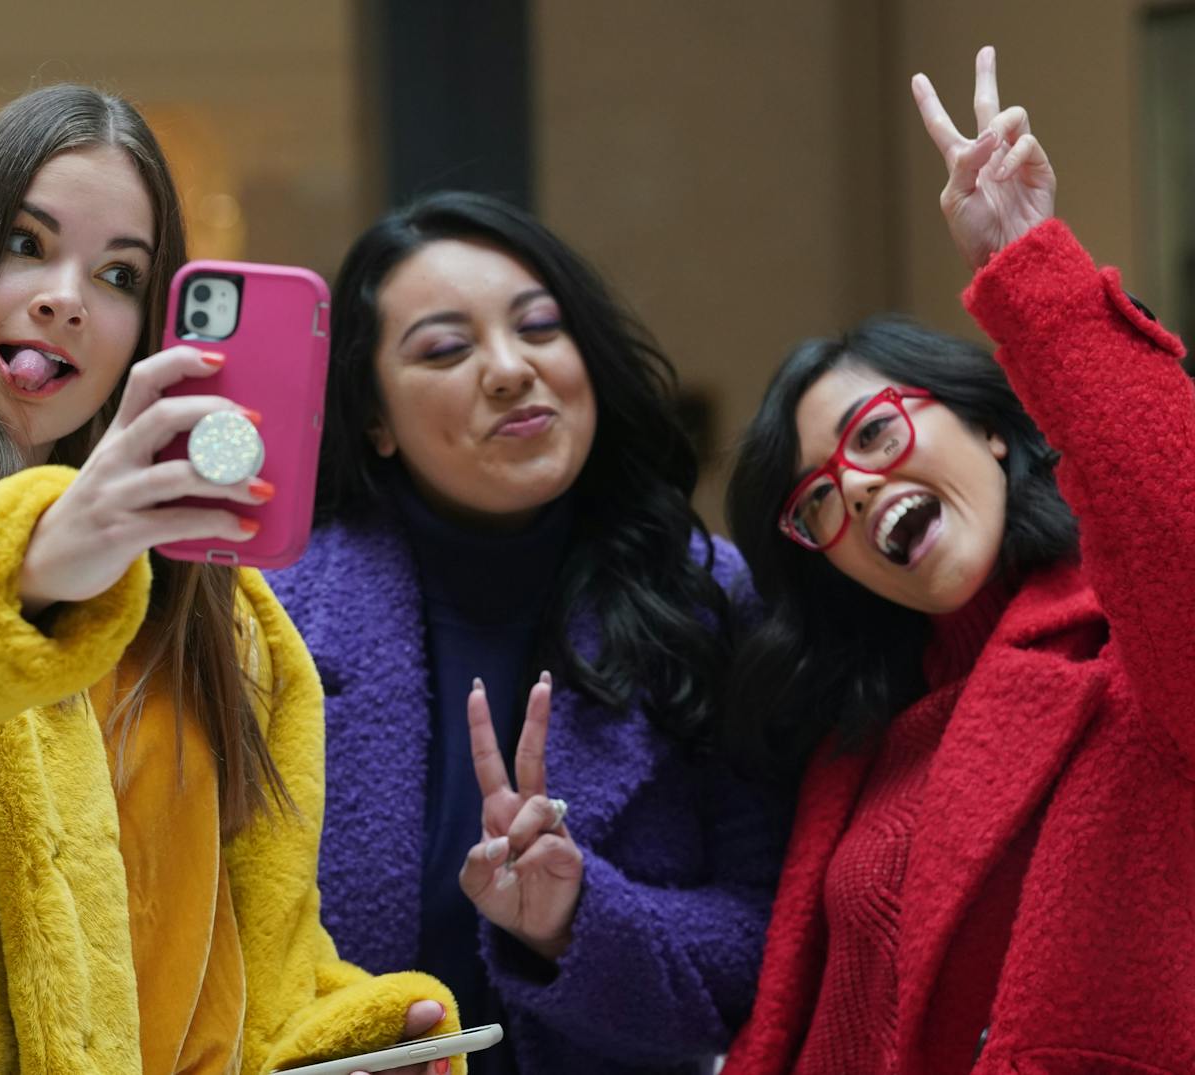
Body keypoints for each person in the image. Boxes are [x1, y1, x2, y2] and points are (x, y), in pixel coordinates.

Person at [0, 84, 463, 1075]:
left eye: (118, 274)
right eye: (25, 244)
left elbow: (242, 968)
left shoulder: (219, 621)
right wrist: (48, 546)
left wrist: (345, 1040)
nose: (65, 296)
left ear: (148, 330)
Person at [720, 47, 1195, 1075]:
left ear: (985, 427)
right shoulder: (861, 742)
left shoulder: (1128, 657)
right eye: (811, 501)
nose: (848, 486)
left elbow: (1172, 526)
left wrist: (1031, 268)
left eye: (875, 433)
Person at [267, 191, 785, 1075]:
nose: (509, 369)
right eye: (445, 348)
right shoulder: (271, 617)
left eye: (540, 328)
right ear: (374, 420)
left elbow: (769, 947)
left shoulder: (706, 599)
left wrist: (574, 916)